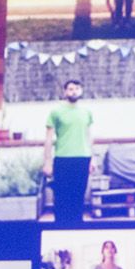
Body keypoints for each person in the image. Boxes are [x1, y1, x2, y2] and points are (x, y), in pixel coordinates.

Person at [43, 80, 96, 226]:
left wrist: (92, 159)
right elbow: (48, 139)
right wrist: (47, 162)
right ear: (65, 92)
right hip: (63, 159)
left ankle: (77, 227)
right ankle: (60, 227)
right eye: (71, 89)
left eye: (77, 88)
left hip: (82, 159)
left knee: (78, 196)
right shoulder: (56, 112)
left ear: (81, 91)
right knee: (61, 197)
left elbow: (88, 136)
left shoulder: (86, 112)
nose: (74, 91)